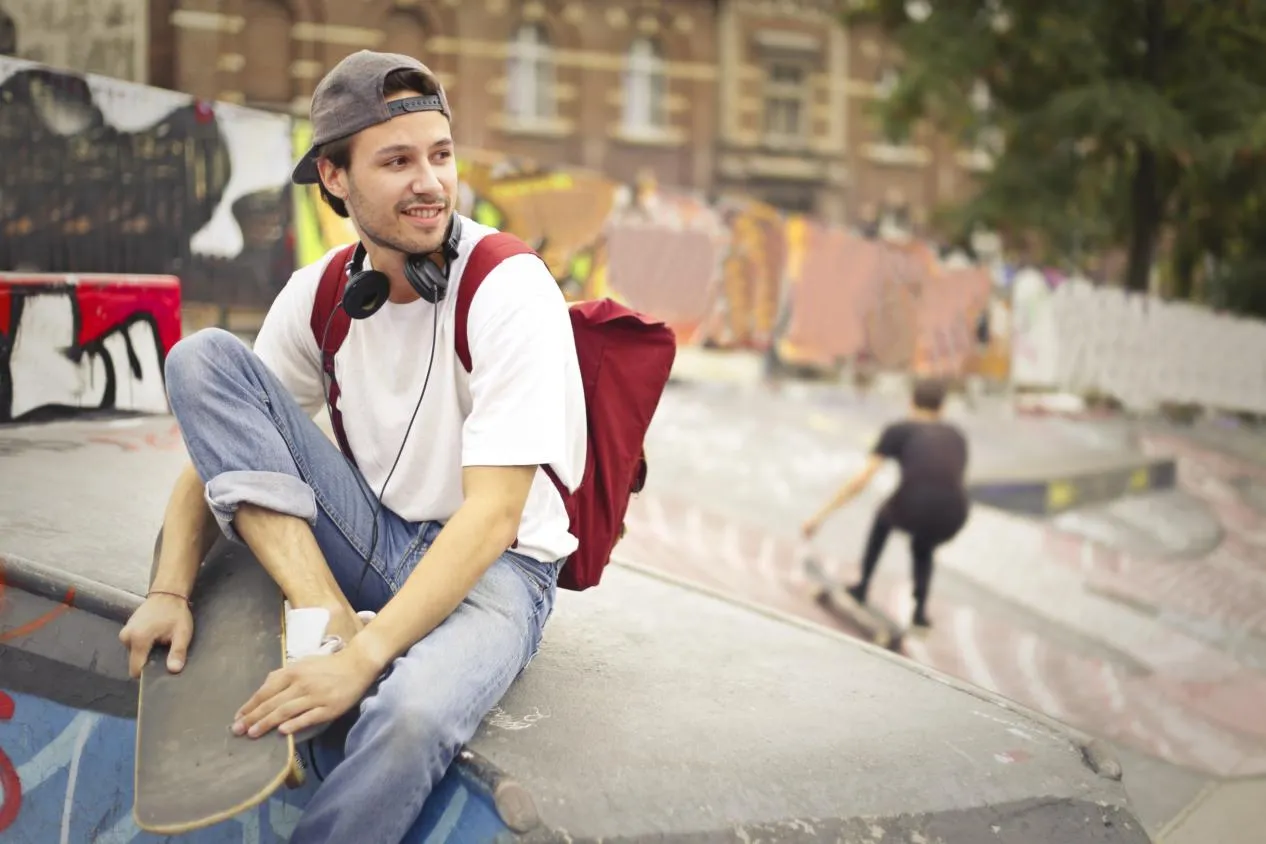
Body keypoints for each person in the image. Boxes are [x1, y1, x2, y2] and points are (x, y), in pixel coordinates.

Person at [118, 50, 586, 843]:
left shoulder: (509, 286)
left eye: (440, 156)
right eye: (397, 161)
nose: (430, 183)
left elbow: (495, 517)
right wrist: (168, 590)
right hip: (374, 538)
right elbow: (217, 446)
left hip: (497, 574)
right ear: (334, 177)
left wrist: (361, 658)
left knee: (409, 716)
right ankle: (318, 604)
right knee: (202, 358)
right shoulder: (323, 294)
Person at [801, 377, 968, 629]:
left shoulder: (899, 430)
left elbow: (862, 480)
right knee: (923, 544)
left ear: (911, 403)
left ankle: (862, 586)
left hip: (919, 505)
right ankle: (920, 614)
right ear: (942, 408)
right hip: (956, 514)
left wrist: (819, 516)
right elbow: (946, 479)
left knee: (883, 516)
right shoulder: (956, 436)